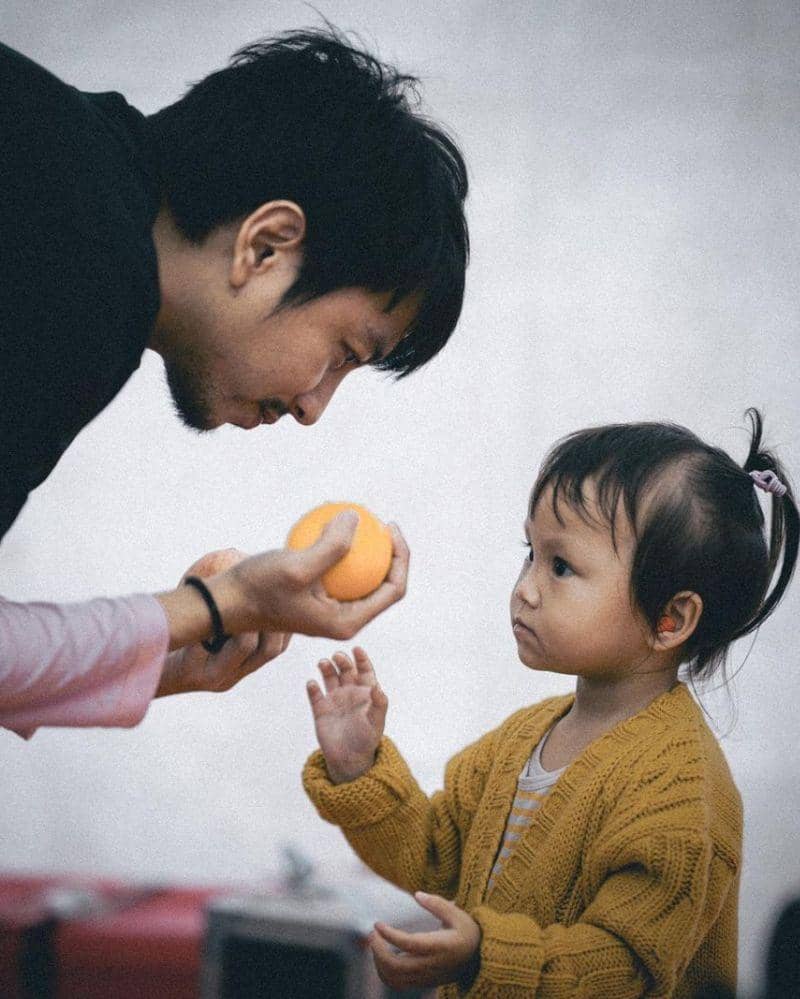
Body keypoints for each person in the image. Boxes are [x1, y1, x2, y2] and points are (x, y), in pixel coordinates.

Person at [0, 28, 468, 737]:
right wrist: (221, 605)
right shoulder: (85, 275)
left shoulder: (64, 156)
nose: (314, 406)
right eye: (343, 351)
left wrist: (171, 653)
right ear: (266, 243)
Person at [303, 409, 798, 998]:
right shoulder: (523, 737)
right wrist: (359, 767)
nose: (526, 588)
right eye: (529, 553)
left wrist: (483, 955)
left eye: (561, 566)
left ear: (672, 619)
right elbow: (437, 858)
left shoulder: (683, 791)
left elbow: (620, 967)